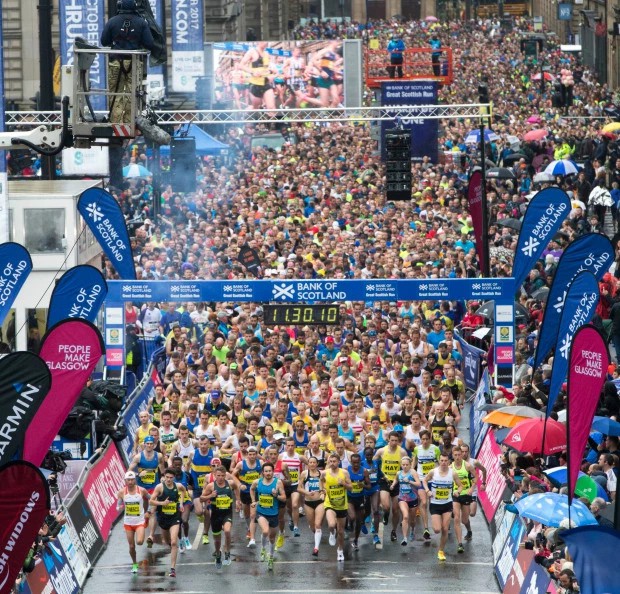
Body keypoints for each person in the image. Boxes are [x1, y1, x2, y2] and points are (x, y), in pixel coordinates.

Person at [100, 0, 155, 123]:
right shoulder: (141, 22)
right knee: (133, 94)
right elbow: (150, 43)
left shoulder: (112, 21)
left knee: (115, 93)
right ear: (135, 7)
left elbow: (104, 41)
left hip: (116, 62)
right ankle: (130, 122)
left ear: (119, 6)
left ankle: (116, 123)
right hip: (134, 63)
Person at [149, 467, 189, 578]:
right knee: (168, 542)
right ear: (164, 476)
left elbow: (183, 491)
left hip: (174, 517)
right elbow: (151, 501)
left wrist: (181, 503)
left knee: (174, 541)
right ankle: (173, 548)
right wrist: (162, 503)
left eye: (171, 478)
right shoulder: (159, 487)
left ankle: (172, 569)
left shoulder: (178, 486)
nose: (169, 480)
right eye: (167, 477)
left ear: (174, 478)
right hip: (163, 518)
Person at [424, 453, 463, 561]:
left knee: (445, 529)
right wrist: (427, 490)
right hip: (435, 504)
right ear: (439, 461)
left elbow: (460, 486)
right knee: (437, 530)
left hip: (447, 504)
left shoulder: (453, 473)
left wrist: (457, 492)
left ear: (449, 462)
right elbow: (424, 480)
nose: (444, 463)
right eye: (442, 460)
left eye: (446, 461)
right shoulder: (433, 472)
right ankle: (438, 528)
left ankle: (441, 551)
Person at [200, 465, 241, 567]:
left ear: (225, 475)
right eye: (218, 475)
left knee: (227, 531)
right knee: (217, 540)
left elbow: (236, 488)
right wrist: (211, 496)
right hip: (216, 515)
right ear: (214, 475)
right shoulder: (211, 486)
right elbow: (201, 498)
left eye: (223, 475)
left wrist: (238, 500)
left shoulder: (230, 483)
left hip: (227, 513)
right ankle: (218, 554)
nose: (221, 478)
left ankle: (227, 552)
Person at [250, 462, 286, 570]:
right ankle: (263, 549)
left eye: (270, 471)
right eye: (266, 471)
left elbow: (284, 498)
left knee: (272, 538)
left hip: (273, 514)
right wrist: (253, 501)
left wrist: (276, 495)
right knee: (265, 531)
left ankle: (270, 557)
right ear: (263, 472)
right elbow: (251, 489)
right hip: (261, 512)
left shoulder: (278, 482)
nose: (268, 473)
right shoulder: (257, 482)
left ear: (273, 472)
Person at [374, 431, 409, 542]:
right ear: (388, 440)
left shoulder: (402, 452)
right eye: (392, 440)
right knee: (386, 506)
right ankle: (385, 514)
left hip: (397, 482)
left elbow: (408, 465)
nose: (394, 443)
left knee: (395, 510)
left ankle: (393, 530)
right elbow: (372, 462)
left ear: (398, 441)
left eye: (396, 441)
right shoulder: (381, 451)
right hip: (385, 481)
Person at [116, 470, 151, 573]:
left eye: (132, 480)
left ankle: (145, 524)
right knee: (131, 546)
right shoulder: (122, 492)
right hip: (128, 522)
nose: (130, 482)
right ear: (125, 481)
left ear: (135, 480)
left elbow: (151, 499)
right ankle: (134, 564)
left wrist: (148, 511)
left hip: (139, 521)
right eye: (128, 480)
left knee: (139, 542)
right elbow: (118, 505)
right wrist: (119, 508)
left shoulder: (142, 490)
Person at [321, 452, 352, 562]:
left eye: (334, 461)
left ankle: (340, 550)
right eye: (330, 461)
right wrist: (322, 491)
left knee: (341, 531)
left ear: (338, 462)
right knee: (331, 524)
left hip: (342, 505)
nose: (332, 463)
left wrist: (344, 484)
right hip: (330, 503)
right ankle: (331, 532)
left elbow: (351, 488)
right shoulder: (324, 473)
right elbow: (321, 482)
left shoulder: (344, 473)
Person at [233, 445, 262, 547]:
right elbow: (233, 475)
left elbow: (264, 473)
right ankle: (249, 527)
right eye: (250, 454)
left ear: (256, 454)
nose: (252, 456)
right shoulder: (241, 464)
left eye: (254, 454)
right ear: (247, 455)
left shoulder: (260, 463)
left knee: (253, 515)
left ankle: (252, 536)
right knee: (246, 514)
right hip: (245, 492)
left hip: (255, 492)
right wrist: (239, 485)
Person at [451, 445, 477, 552]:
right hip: (456, 495)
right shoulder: (450, 467)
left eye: (459, 454)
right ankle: (460, 543)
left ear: (461, 455)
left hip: (466, 494)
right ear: (453, 455)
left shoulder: (467, 466)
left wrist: (472, 488)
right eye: (455, 455)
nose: (457, 457)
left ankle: (469, 530)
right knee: (457, 518)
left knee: (464, 520)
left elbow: (476, 477)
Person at [391, 456, 422, 546]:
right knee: (405, 517)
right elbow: (396, 479)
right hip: (402, 498)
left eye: (407, 465)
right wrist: (393, 485)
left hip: (413, 499)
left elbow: (419, 484)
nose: (405, 466)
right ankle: (404, 538)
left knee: (412, 520)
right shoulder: (399, 473)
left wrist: (409, 481)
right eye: (403, 465)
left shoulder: (413, 472)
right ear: (401, 465)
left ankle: (412, 529)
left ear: (410, 465)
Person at [299, 455, 326, 557]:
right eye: (310, 462)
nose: (312, 464)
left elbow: (325, 487)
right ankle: (317, 535)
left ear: (317, 464)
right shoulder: (304, 474)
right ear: (308, 464)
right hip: (308, 503)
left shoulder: (321, 474)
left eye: (314, 462)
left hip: (320, 502)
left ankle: (316, 548)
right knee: (313, 527)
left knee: (318, 524)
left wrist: (323, 492)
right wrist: (306, 492)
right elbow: (299, 488)